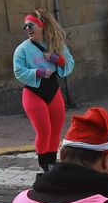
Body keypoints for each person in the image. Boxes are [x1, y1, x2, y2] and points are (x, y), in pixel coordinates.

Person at [12, 9, 74, 171]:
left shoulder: (55, 44)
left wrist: (57, 59)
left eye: (30, 25)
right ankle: (43, 164)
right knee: (44, 130)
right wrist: (38, 72)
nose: (27, 28)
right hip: (33, 93)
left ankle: (52, 162)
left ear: (41, 26)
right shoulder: (22, 49)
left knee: (56, 129)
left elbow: (70, 63)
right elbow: (18, 71)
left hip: (53, 91)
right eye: (24, 26)